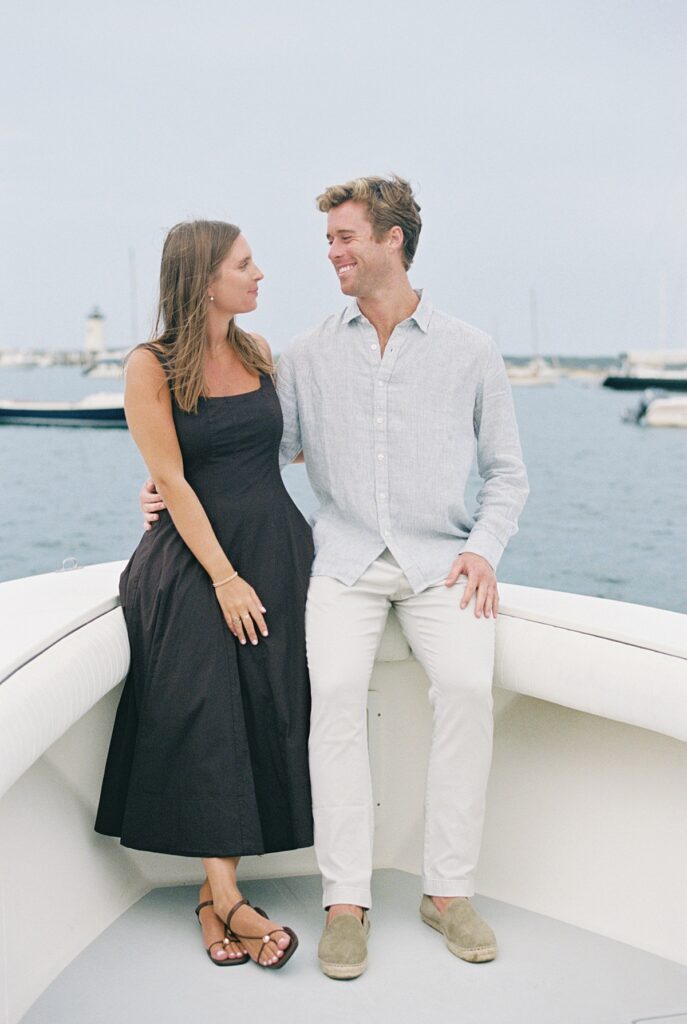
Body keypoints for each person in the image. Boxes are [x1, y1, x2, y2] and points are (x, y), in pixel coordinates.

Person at [143, 177, 528, 980]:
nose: (331, 254)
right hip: (342, 563)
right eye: (328, 241)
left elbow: (507, 475)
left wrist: (483, 548)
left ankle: (447, 893)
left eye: (345, 238)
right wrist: (165, 486)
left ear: (393, 240)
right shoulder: (307, 353)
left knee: (464, 689)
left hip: (438, 563)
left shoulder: (471, 350)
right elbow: (255, 449)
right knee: (335, 699)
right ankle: (344, 900)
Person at [96, 220, 314, 970]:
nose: (260, 276)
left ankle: (208, 900)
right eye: (245, 265)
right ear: (203, 279)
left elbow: (294, 446)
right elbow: (176, 478)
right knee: (205, 707)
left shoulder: (256, 354)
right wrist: (222, 578)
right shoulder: (149, 365)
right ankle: (231, 902)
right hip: (193, 563)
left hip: (275, 552)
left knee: (257, 708)